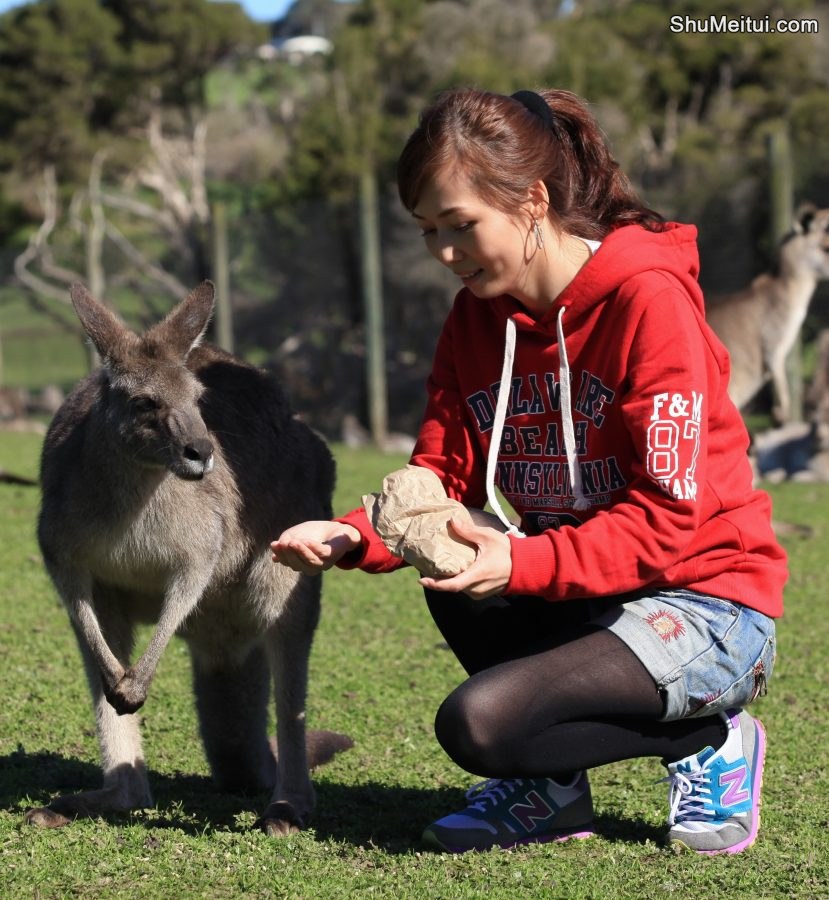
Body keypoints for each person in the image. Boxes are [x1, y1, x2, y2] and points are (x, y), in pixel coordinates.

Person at [271, 87, 787, 856]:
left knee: (480, 725)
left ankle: (710, 737)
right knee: (447, 547)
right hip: (586, 592)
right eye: (427, 231)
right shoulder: (472, 320)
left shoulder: (648, 302)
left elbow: (667, 520)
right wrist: (354, 535)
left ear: (532, 201)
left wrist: (520, 561)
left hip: (705, 601)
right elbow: (440, 476)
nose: (445, 252)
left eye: (460, 225)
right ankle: (551, 794)